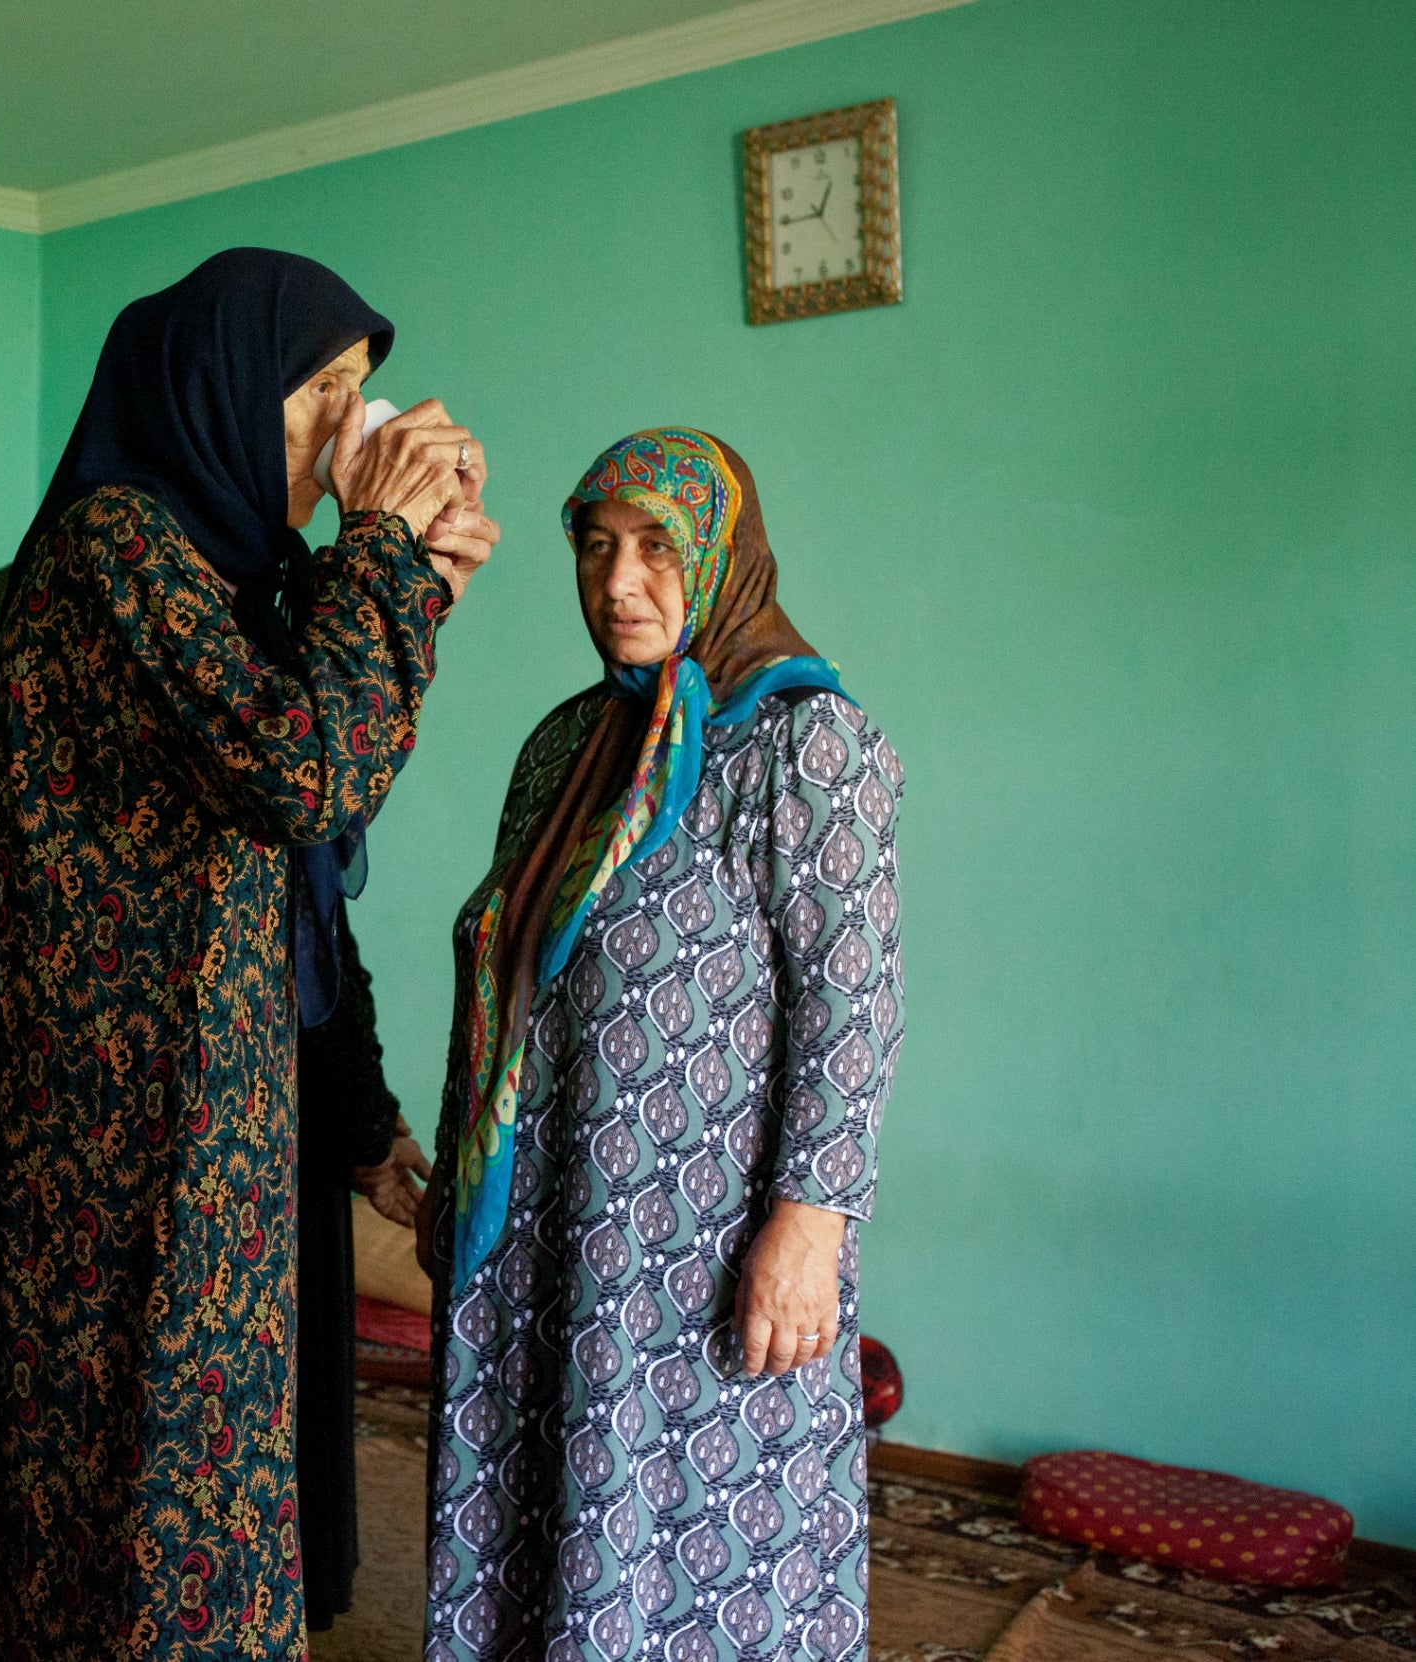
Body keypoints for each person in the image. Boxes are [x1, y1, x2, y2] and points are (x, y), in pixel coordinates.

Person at [0, 247, 499, 1661]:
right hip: (116, 1127)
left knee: (202, 1483)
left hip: (217, 1109)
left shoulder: (236, 578)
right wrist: (380, 557)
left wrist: (416, 579)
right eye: (320, 390)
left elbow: (332, 779)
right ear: (222, 393)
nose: (345, 431)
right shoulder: (117, 544)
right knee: (129, 1479)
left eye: (360, 395)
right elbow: (301, 773)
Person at [421, 430, 903, 1662]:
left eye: (653, 549)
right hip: (546, 1225)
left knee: (699, 1539)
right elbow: (504, 967)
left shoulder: (802, 741)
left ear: (720, 558)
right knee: (542, 1512)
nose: (618, 581)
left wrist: (808, 1224)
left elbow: (851, 1005)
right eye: (594, 547)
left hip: (700, 1245)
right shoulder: (564, 747)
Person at [291, 903, 428, 1632]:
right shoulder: (287, 811)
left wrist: (374, 1128)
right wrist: (370, 1136)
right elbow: (324, 976)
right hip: (282, 1130)